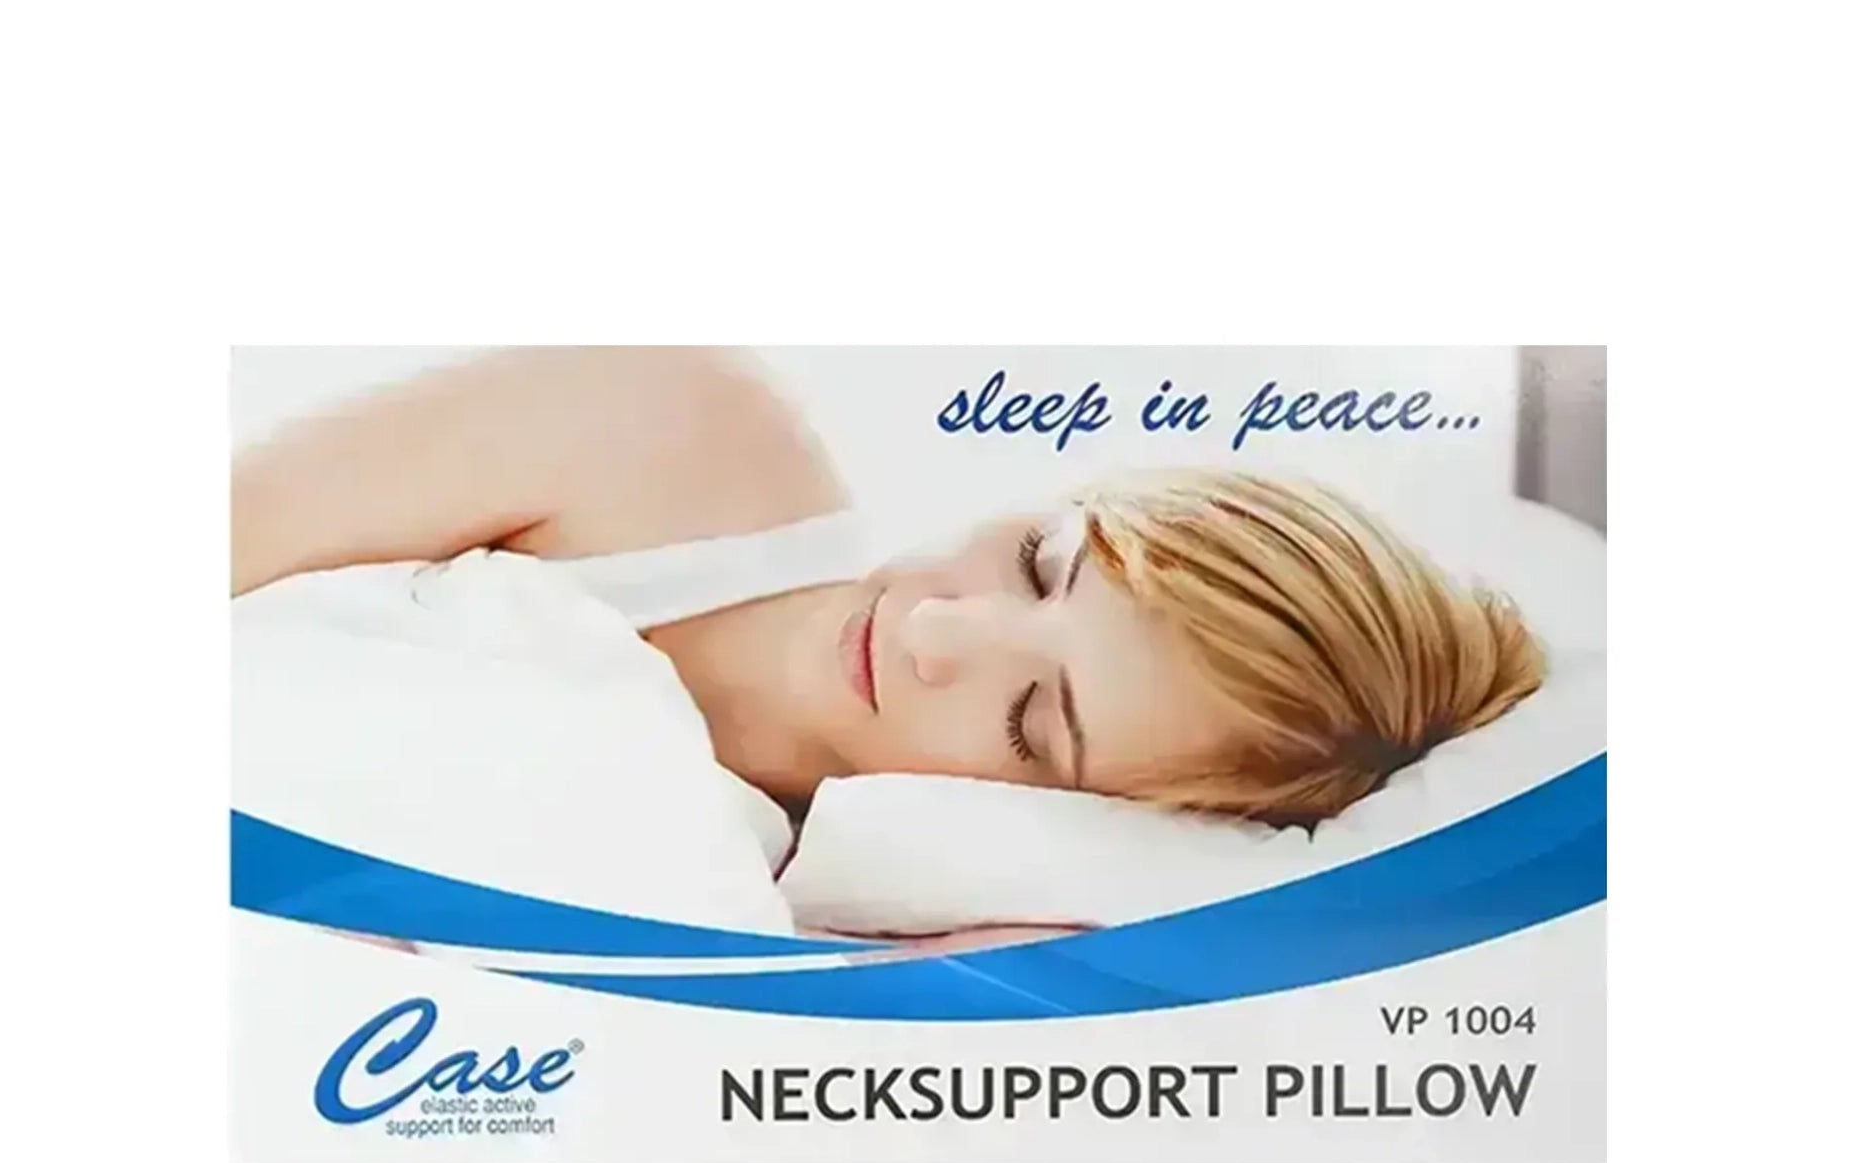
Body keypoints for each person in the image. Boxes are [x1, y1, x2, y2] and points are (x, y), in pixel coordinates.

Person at [232, 347, 1543, 828]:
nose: (934, 626)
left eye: (1030, 723)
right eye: (1039, 562)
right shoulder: (671, 427)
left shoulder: (789, 917)